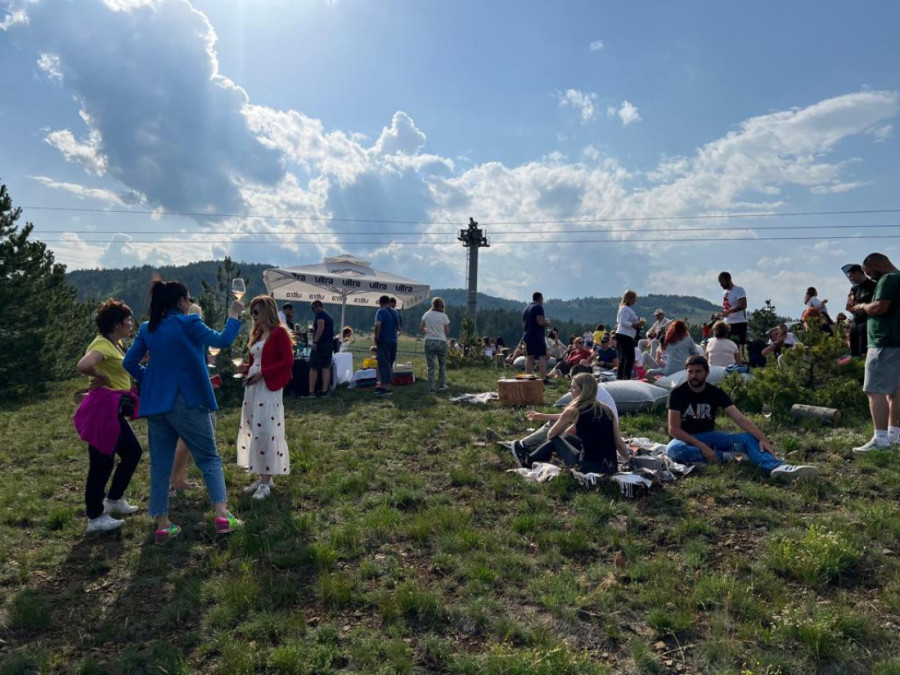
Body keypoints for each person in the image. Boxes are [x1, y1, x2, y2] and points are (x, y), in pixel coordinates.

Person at [123, 279, 244, 543]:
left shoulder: (147, 328)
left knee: (160, 464)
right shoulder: (190, 323)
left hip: (156, 405)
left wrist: (150, 379)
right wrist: (234, 314)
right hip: (188, 401)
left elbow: (129, 362)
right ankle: (223, 516)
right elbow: (223, 340)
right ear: (180, 301)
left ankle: (163, 525)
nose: (190, 302)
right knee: (209, 458)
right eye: (188, 298)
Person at [666, 355, 818, 481]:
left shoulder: (715, 392)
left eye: (698, 371)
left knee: (748, 438)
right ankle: (728, 457)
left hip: (710, 436)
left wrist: (762, 438)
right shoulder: (678, 393)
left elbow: (740, 419)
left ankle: (776, 467)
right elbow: (674, 429)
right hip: (686, 439)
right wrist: (702, 447)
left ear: (706, 372)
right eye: (690, 372)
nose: (693, 376)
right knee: (674, 450)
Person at [74, 299, 142, 534]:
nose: (131, 324)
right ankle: (95, 517)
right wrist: (100, 377)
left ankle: (113, 500)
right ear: (116, 324)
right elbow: (84, 364)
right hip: (103, 411)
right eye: (128, 321)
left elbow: (124, 364)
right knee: (101, 463)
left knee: (132, 453)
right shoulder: (102, 345)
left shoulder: (115, 344)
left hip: (111, 410)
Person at [510, 373, 629, 475]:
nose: (570, 390)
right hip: (610, 467)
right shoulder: (607, 410)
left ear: (583, 390)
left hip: (588, 468)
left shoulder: (574, 410)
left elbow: (550, 435)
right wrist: (629, 461)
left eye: (573, 388)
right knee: (567, 437)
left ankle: (528, 460)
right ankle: (534, 456)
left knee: (556, 440)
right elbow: (618, 443)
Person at [236, 296, 294, 499]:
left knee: (267, 429)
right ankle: (262, 475)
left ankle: (266, 482)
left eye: (256, 312)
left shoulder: (279, 333)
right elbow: (255, 361)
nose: (254, 316)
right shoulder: (258, 334)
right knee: (255, 428)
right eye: (252, 312)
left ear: (267, 311)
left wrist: (264, 372)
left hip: (269, 386)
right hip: (254, 387)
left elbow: (288, 360)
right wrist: (245, 369)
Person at [851, 252, 900, 452]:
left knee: (874, 390)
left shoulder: (888, 279)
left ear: (877, 265)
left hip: (883, 341)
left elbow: (880, 307)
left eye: (869, 272)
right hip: (897, 341)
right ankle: (894, 435)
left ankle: (880, 440)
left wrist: (862, 306)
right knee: (896, 391)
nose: (870, 277)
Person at [170, 300, 207, 495]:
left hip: (186, 394)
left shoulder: (183, 336)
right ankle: (172, 479)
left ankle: (178, 479)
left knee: (185, 440)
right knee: (190, 439)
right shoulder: (188, 337)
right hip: (189, 396)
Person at [844, 263, 878, 357]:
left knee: (865, 351)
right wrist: (852, 307)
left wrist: (863, 306)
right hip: (855, 323)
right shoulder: (854, 289)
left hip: (868, 322)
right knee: (854, 352)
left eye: (851, 276)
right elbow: (848, 305)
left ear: (859, 273)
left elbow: (877, 304)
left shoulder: (873, 286)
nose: (851, 279)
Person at [420, 296, 451, 392]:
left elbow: (422, 328)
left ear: (432, 304)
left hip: (429, 340)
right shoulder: (444, 316)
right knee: (442, 364)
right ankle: (442, 384)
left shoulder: (427, 314)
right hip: (441, 341)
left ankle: (431, 388)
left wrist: (428, 330)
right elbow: (447, 331)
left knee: (431, 366)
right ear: (442, 305)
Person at [306, 299, 334, 398]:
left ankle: (311, 391)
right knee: (325, 367)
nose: (313, 311)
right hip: (329, 343)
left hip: (321, 344)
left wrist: (315, 341)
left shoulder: (320, 314)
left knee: (313, 367)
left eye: (313, 309)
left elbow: (320, 327)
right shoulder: (328, 316)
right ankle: (324, 391)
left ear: (317, 306)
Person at [615, 290, 644, 380]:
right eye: (634, 298)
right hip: (625, 335)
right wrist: (634, 324)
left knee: (623, 357)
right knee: (630, 357)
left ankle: (621, 376)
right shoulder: (625, 309)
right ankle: (626, 377)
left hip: (623, 335)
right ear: (630, 299)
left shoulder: (623, 308)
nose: (635, 301)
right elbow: (622, 322)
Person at [373, 295, 399, 396]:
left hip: (384, 340)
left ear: (380, 302)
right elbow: (399, 327)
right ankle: (384, 385)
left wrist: (376, 337)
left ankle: (387, 388)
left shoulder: (381, 311)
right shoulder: (395, 312)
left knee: (384, 364)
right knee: (389, 363)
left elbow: (377, 324)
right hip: (394, 341)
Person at [717, 272, 748, 352]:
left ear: (728, 279)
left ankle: (739, 362)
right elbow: (727, 307)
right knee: (726, 346)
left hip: (738, 323)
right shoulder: (725, 293)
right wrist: (721, 314)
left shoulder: (738, 290)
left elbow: (743, 305)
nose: (721, 284)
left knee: (736, 346)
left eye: (722, 282)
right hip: (727, 323)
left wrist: (729, 312)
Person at [522, 291, 548, 380]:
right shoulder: (538, 307)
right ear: (539, 298)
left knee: (529, 357)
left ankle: (528, 377)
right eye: (542, 299)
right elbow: (540, 321)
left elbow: (524, 324)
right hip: (537, 335)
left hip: (527, 335)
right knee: (542, 356)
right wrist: (546, 323)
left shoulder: (526, 308)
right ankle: (543, 379)